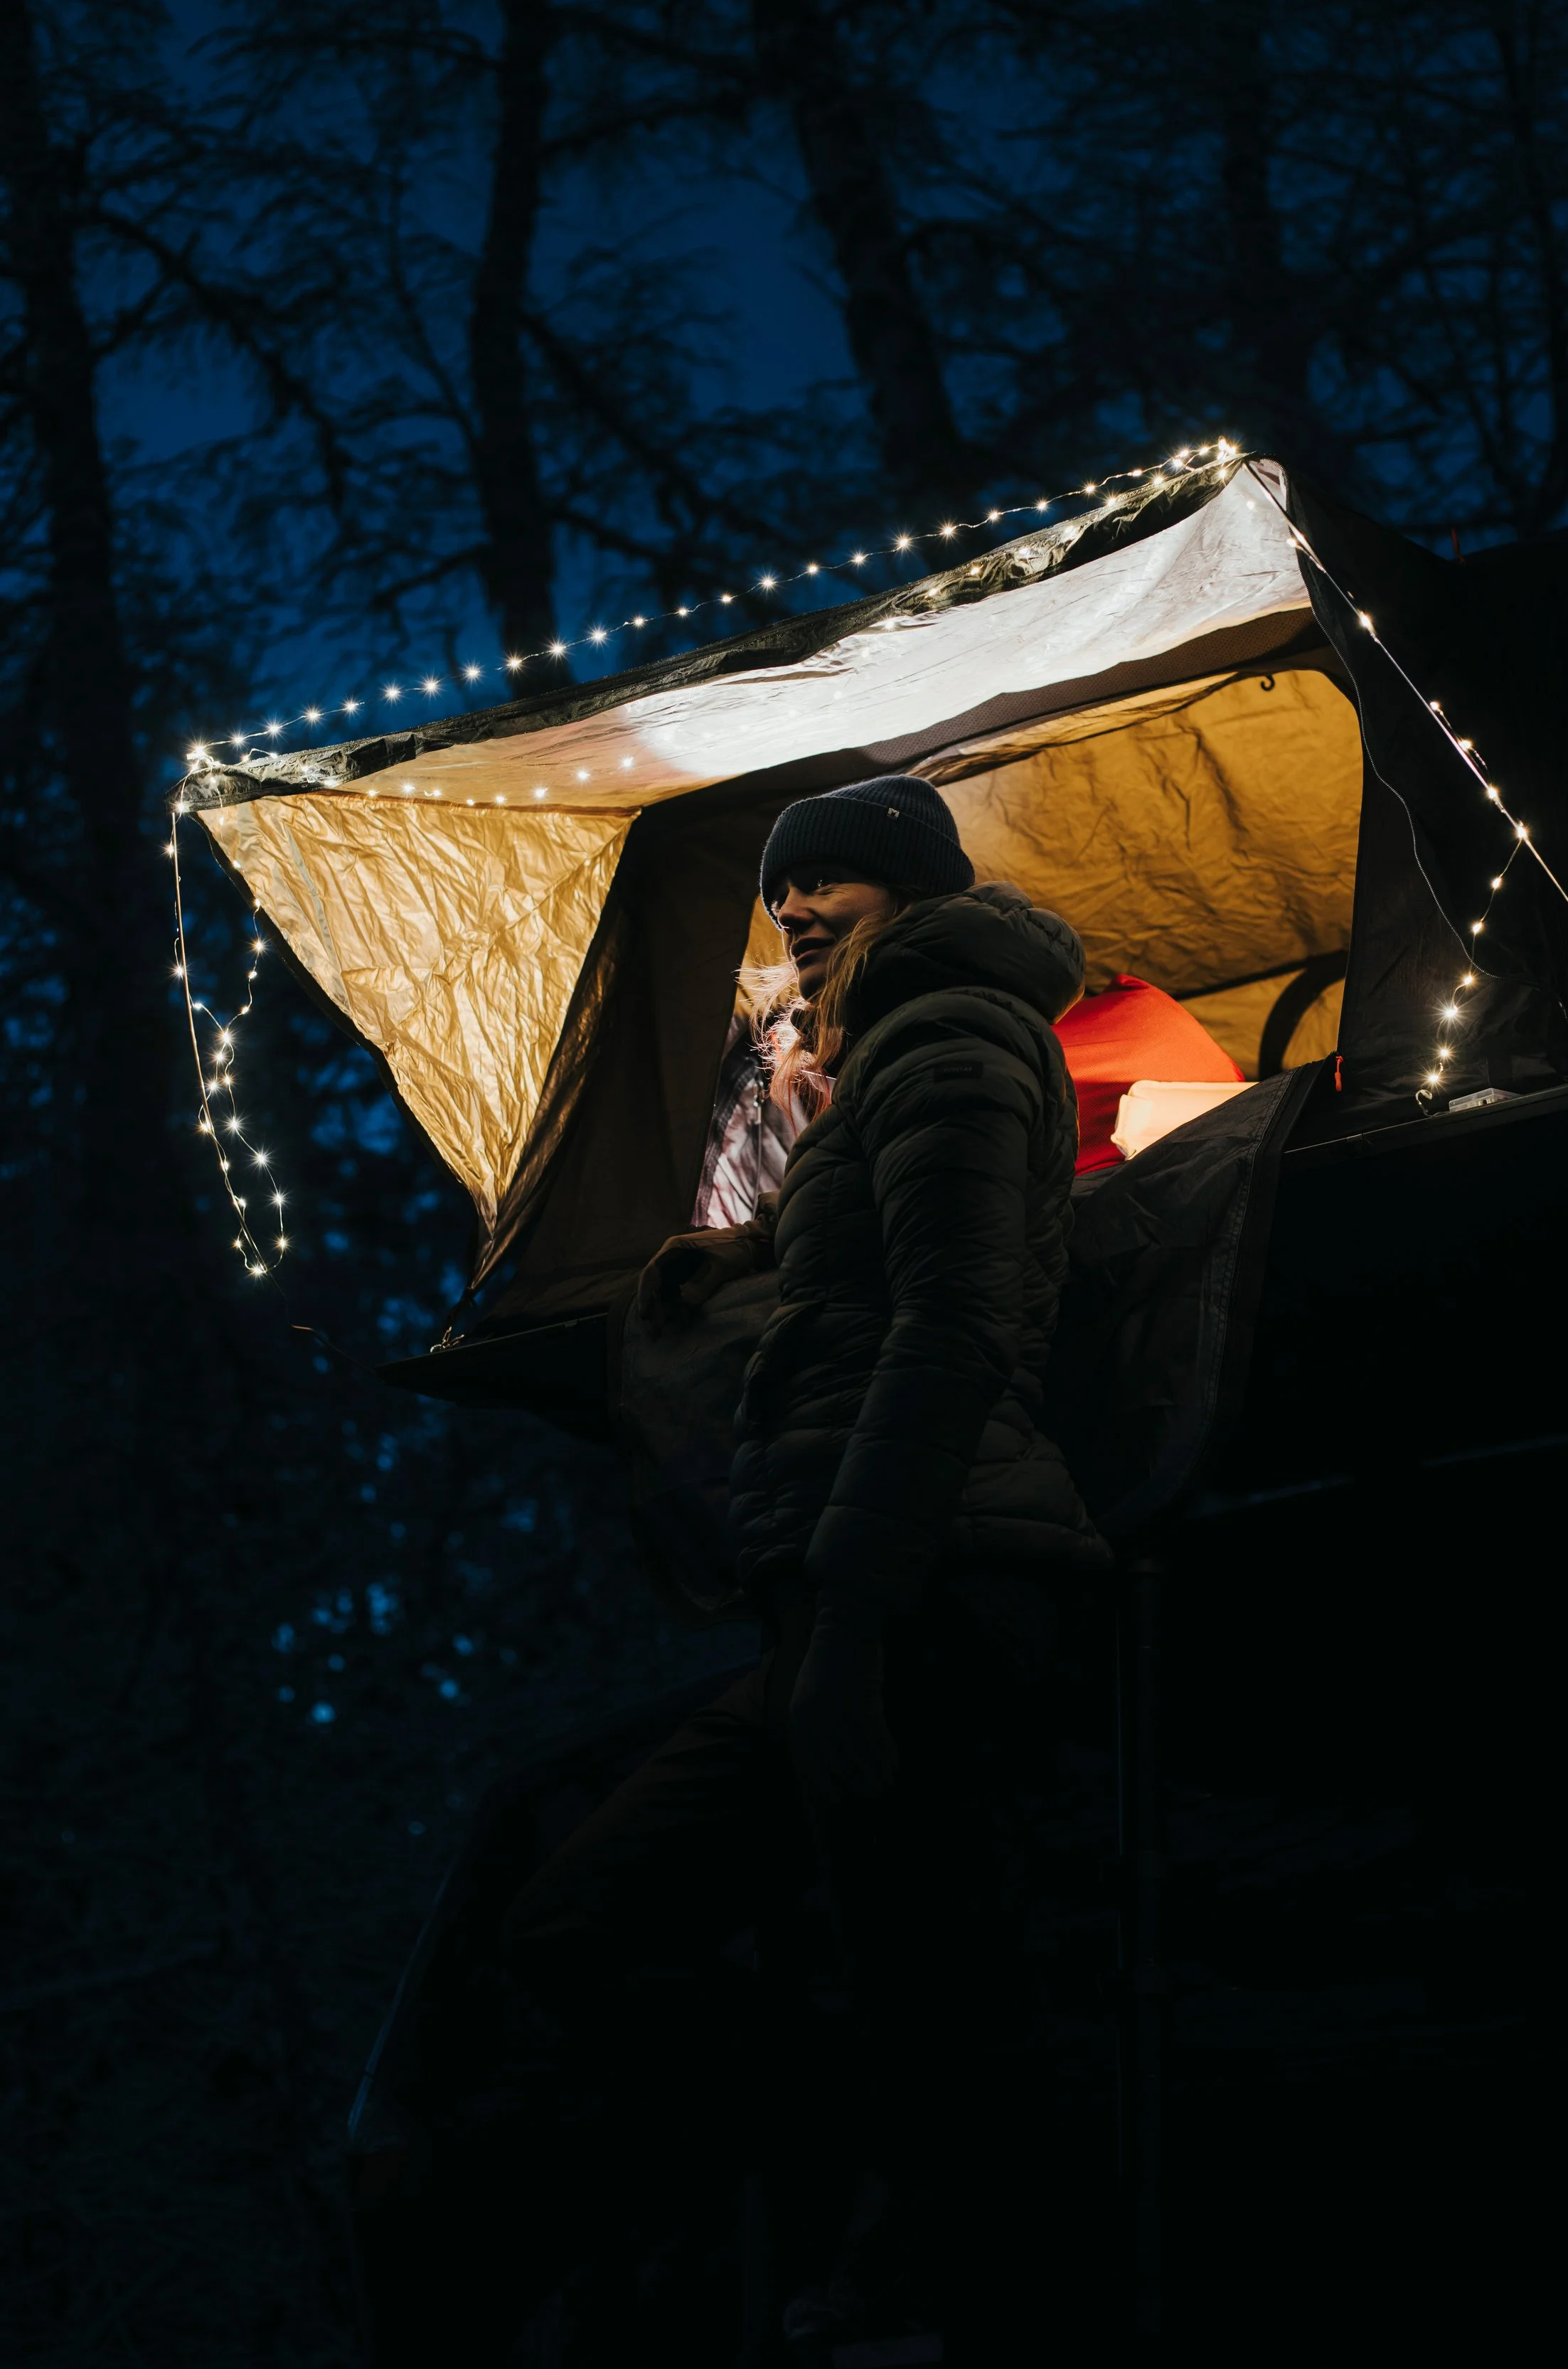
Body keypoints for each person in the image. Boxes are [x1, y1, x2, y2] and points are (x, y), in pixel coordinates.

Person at [503, 773, 1109, 2362]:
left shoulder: (959, 1038)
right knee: (835, 1973)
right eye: (781, 886)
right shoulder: (885, 1061)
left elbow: (959, 1321)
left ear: (914, 890)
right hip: (859, 1587)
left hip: (928, 1578)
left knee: (930, 1997)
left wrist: (847, 1620)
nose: (793, 904)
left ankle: (946, 2272)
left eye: (833, 877)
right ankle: (876, 2205)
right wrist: (755, 1240)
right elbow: (895, 1254)